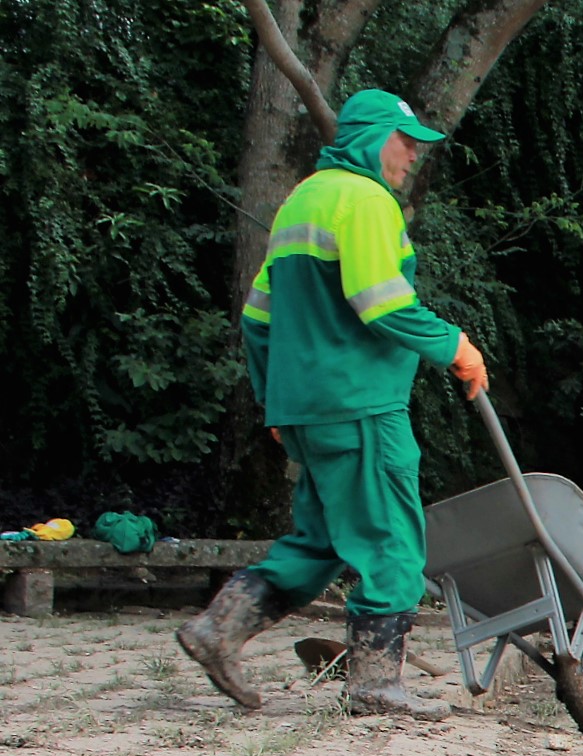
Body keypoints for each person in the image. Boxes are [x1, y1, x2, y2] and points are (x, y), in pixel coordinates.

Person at [179, 89, 489, 721]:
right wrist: (453, 344)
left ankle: (219, 629)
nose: (412, 158)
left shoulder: (303, 199)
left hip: (305, 411)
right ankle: (376, 685)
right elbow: (381, 301)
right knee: (392, 540)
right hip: (360, 406)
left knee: (319, 539)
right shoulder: (366, 199)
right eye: (406, 143)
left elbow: (257, 318)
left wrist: (273, 400)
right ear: (372, 137)